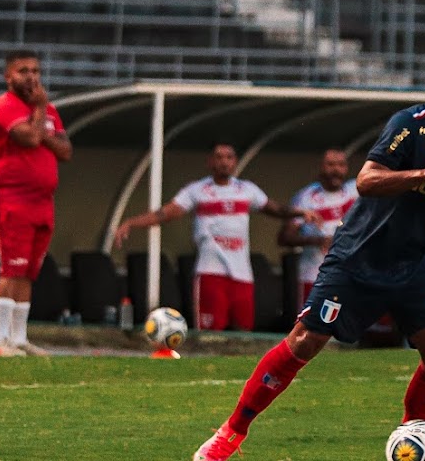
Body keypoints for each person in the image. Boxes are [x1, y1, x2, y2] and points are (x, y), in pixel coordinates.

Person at [193, 46, 425, 461]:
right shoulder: (410, 125)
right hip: (358, 257)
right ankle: (231, 432)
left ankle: (411, 445)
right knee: (305, 342)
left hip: (411, 264)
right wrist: (423, 174)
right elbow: (366, 181)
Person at [112, 142, 315, 332]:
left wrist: (300, 212)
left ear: (235, 162)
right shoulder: (197, 190)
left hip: (242, 275)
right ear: (209, 162)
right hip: (211, 272)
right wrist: (132, 222)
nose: (224, 161)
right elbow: (165, 213)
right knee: (210, 334)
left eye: (229, 157)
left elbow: (275, 209)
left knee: (244, 332)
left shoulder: (246, 190)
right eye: (219, 157)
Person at [0, 49, 71, 357]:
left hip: (42, 201)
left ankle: (19, 338)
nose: (32, 77)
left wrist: (41, 120)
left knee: (29, 272)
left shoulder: (48, 109)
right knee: (12, 268)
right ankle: (0, 340)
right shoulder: (4, 106)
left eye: (35, 71)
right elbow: (30, 139)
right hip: (12, 198)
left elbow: (65, 150)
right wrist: (38, 112)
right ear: (8, 76)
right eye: (23, 71)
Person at [280, 148, 359, 301]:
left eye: (341, 165)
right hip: (314, 276)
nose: (336, 170)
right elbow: (284, 238)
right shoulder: (305, 198)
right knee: (311, 323)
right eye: (330, 164)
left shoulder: (354, 191)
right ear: (321, 167)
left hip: (348, 276)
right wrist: (317, 241)